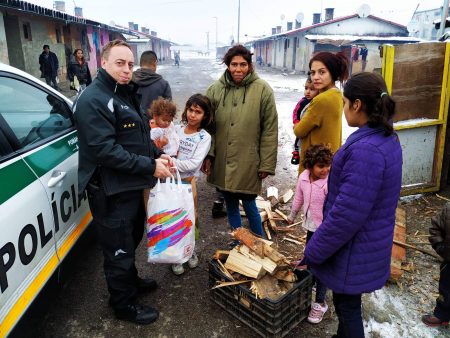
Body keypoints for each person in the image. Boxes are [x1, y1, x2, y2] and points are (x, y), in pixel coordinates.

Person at [74, 39, 173, 325]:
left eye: (130, 64)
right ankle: (124, 305)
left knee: (130, 240)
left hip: (128, 185)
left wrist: (158, 155)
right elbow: (104, 150)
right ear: (102, 63)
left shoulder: (124, 93)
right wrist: (150, 166)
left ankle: (130, 281)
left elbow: (138, 138)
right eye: (120, 63)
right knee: (118, 249)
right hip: (110, 189)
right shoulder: (93, 99)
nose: (127, 69)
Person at [302, 72, 402, 338]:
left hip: (355, 247)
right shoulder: (385, 137)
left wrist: (313, 251)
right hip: (367, 242)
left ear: (357, 105)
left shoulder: (366, 150)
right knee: (347, 303)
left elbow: (346, 217)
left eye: (345, 103)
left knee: (347, 306)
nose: (344, 109)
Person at [203, 44, 278, 239]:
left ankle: (259, 243)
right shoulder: (215, 90)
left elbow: (270, 129)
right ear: (227, 65)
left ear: (250, 65)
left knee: (250, 203)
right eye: (234, 64)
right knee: (230, 204)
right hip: (223, 159)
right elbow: (207, 127)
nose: (238, 69)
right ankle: (240, 243)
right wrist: (209, 155)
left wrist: (266, 163)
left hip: (248, 160)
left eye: (243, 64)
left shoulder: (263, 90)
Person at [287, 144, 333, 324]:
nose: (326, 169)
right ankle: (310, 279)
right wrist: (292, 215)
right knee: (310, 256)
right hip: (311, 226)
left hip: (325, 229)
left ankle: (320, 302)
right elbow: (298, 197)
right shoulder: (303, 178)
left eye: (328, 165)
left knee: (321, 264)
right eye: (321, 166)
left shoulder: (329, 182)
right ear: (310, 166)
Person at [171, 93, 214, 275]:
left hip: (189, 184)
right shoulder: (175, 129)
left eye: (198, 112)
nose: (192, 115)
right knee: (173, 219)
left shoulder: (204, 137)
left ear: (205, 116)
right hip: (170, 183)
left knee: (191, 219)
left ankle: (190, 250)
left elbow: (193, 165)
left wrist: (170, 163)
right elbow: (164, 149)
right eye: (190, 110)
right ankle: (175, 256)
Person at [294, 51, 348, 173]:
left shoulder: (322, 100)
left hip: (314, 166)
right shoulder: (337, 94)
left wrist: (296, 123)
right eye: (313, 73)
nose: (315, 77)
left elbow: (299, 131)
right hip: (327, 161)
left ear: (332, 73)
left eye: (322, 72)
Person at [422, 202, 450, 327]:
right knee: (446, 289)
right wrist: (440, 247)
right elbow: (435, 229)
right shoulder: (448, 209)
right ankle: (442, 315)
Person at [291, 76, 319, 165]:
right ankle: (296, 154)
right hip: (301, 125)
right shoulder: (303, 101)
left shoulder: (317, 102)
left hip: (311, 128)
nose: (308, 91)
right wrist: (296, 122)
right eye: (306, 88)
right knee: (298, 140)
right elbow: (295, 112)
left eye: (312, 89)